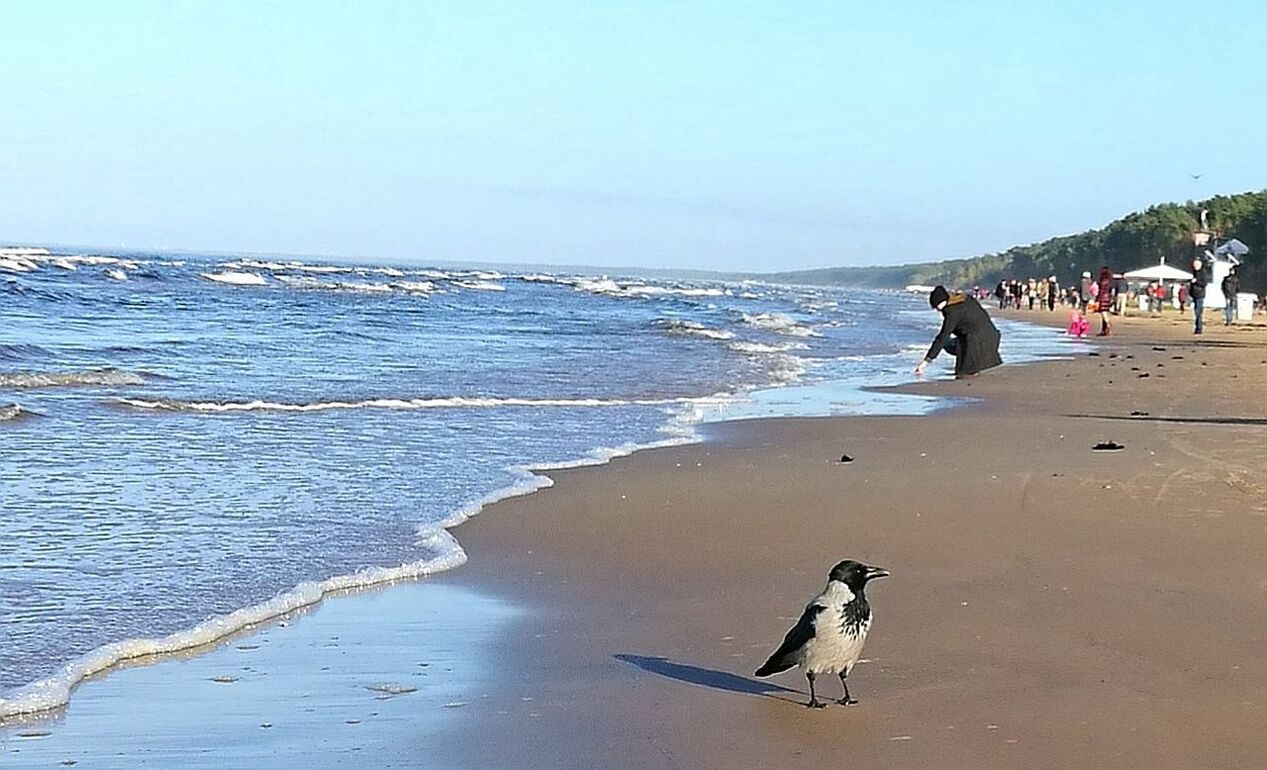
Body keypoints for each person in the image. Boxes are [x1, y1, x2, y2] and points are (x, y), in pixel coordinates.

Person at [915, 286, 1003, 378]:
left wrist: (925, 362)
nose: (936, 309)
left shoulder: (952, 312)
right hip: (992, 337)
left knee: (948, 344)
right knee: (952, 342)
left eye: (936, 306)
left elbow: (942, 336)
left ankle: (971, 367)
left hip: (977, 342)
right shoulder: (964, 298)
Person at [1190, 258, 1209, 334]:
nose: (1194, 266)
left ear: (1200, 265)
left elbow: (1204, 283)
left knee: (1198, 312)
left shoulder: (1202, 273)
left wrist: (1196, 281)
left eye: (1196, 264)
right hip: (1194, 294)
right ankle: (1197, 327)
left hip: (1200, 294)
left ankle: (1199, 328)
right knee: (1196, 312)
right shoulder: (1194, 272)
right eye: (1194, 264)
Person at [1095, 266, 1114, 336]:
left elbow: (1101, 291)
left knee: (1103, 313)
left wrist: (1097, 299)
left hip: (1103, 297)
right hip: (1107, 297)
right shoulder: (1109, 280)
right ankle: (1104, 329)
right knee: (1104, 312)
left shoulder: (1103, 280)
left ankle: (1108, 326)